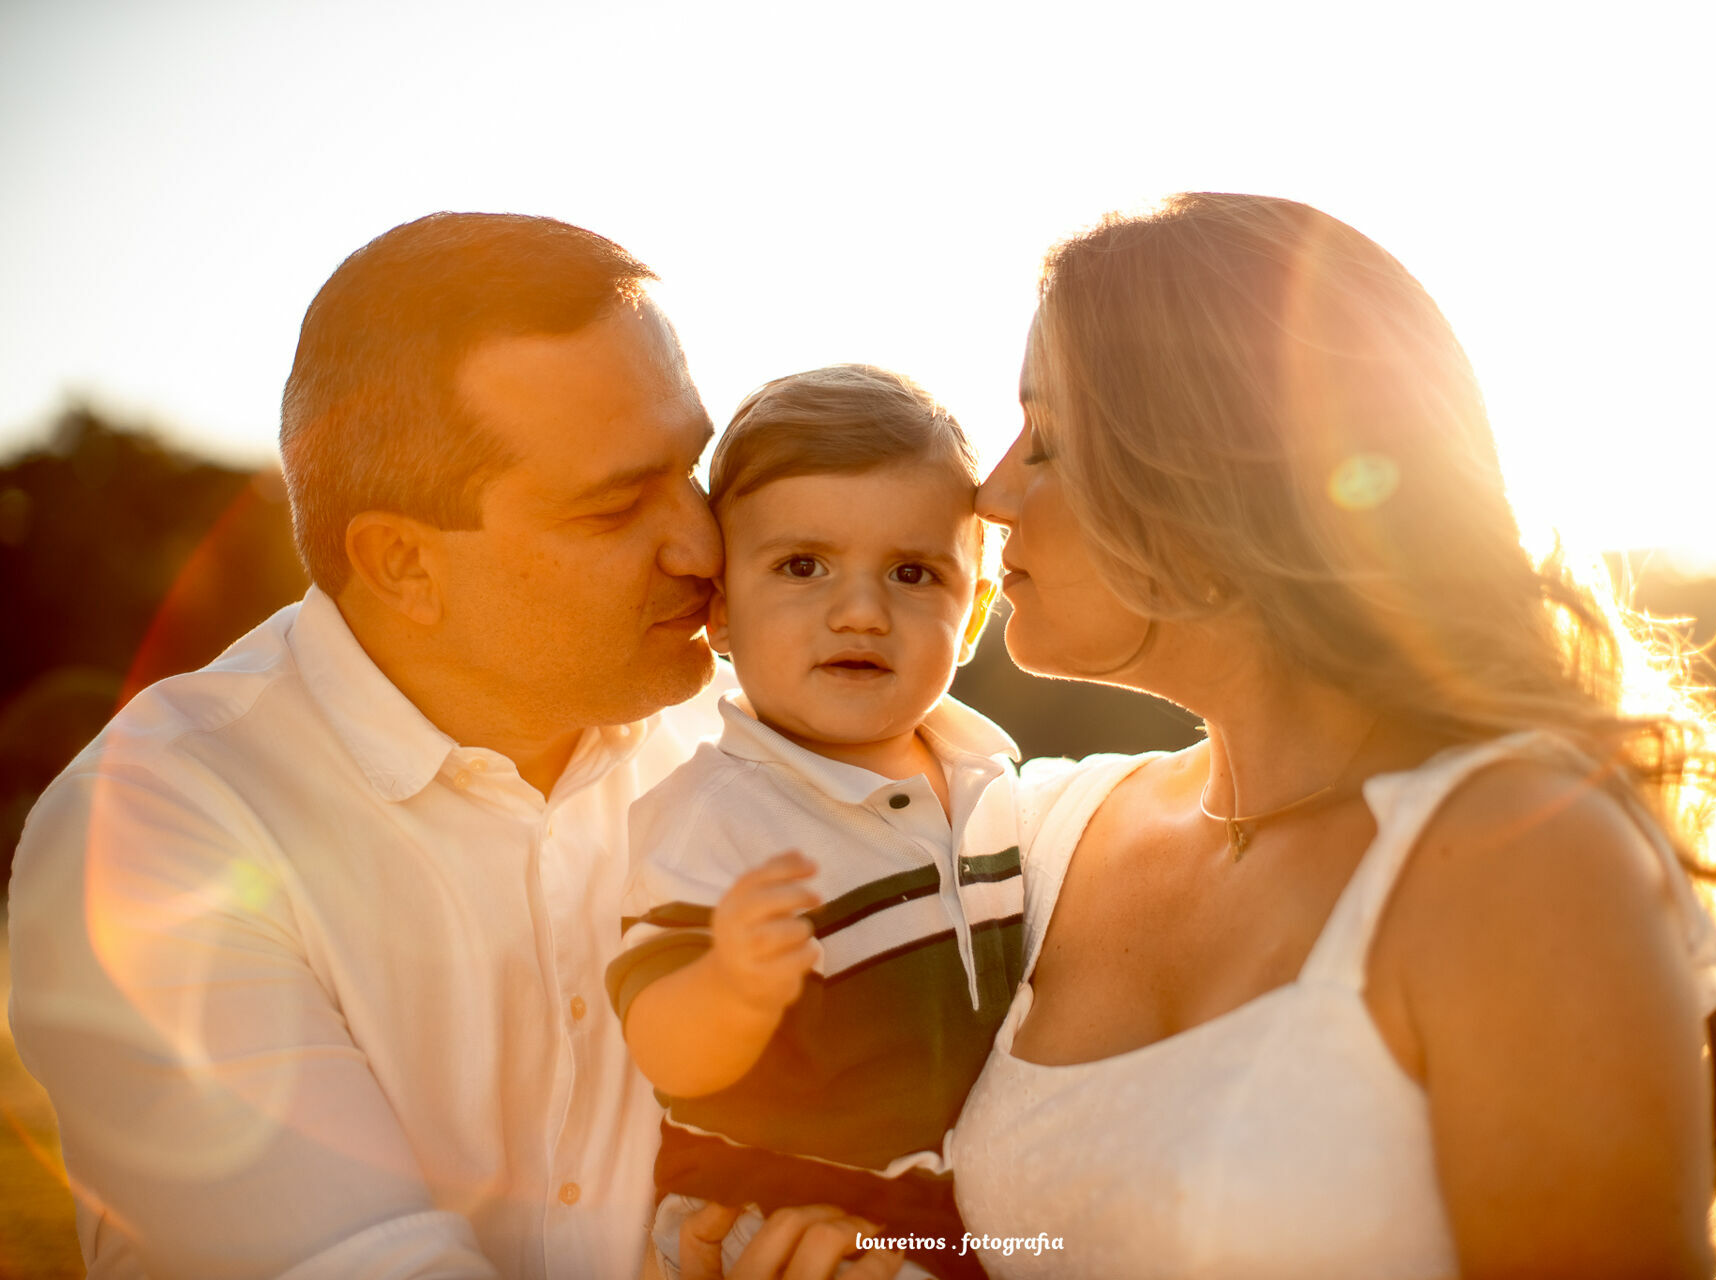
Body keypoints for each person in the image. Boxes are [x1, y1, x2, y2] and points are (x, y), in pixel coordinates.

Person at [942, 194, 1716, 1278]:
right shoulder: (1042, 835)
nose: (987, 492)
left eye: (1051, 440)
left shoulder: (1517, 860)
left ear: (1218, 479)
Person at [7, 212, 738, 1278]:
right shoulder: (159, 823)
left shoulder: (749, 752)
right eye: (619, 505)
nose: (703, 540)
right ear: (401, 563)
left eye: (693, 465)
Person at [607, 366, 1021, 1280]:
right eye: (803, 566)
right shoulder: (714, 816)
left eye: (913, 573)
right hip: (777, 1210)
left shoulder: (994, 783)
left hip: (949, 1214)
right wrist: (732, 986)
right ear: (719, 610)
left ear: (977, 611)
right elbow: (659, 1040)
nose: (862, 611)